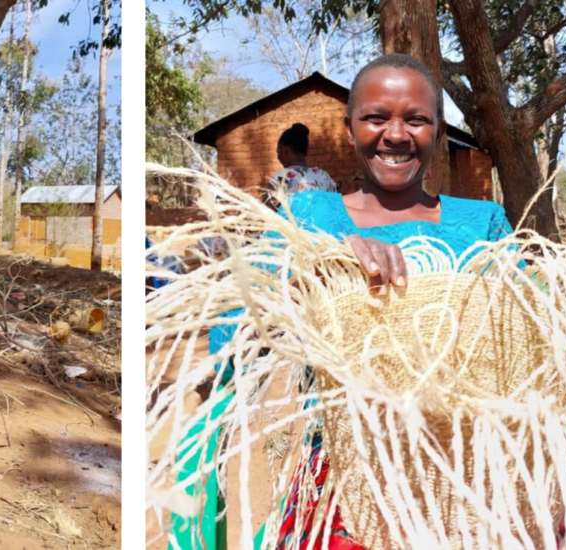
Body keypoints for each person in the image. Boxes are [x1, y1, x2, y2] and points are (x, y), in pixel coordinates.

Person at [210, 53, 518, 549]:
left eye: (416, 119)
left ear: (439, 132)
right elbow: (229, 343)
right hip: (342, 492)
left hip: (469, 486)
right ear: (350, 128)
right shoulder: (310, 216)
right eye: (376, 117)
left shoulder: (483, 224)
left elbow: (540, 340)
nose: (395, 134)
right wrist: (313, 263)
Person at [270, 123, 338, 201]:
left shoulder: (282, 177)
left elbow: (266, 211)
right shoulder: (324, 176)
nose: (278, 158)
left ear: (284, 150)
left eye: (278, 152)